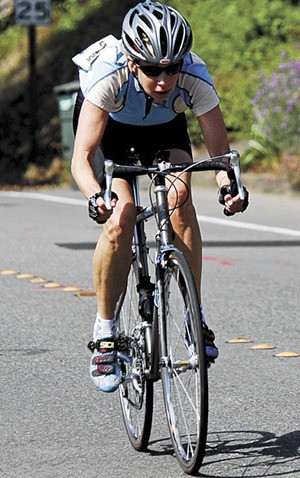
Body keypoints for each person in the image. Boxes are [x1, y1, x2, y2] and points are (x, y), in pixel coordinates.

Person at [71, 0, 249, 393]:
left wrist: (229, 188)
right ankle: (105, 332)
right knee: (121, 217)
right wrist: (95, 196)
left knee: (180, 198)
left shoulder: (195, 76)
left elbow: (220, 157)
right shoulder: (110, 74)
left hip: (164, 129)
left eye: (172, 68)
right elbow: (81, 159)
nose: (164, 79)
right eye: (152, 69)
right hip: (111, 132)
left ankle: (192, 316)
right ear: (133, 62)